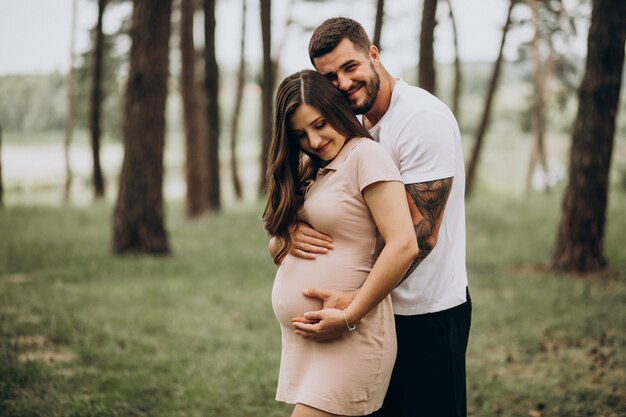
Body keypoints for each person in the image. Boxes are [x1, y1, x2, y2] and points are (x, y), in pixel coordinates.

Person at [287, 17, 472, 417]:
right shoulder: (351, 125)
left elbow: (420, 238)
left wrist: (355, 305)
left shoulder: (421, 120)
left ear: (373, 54)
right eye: (330, 76)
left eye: (350, 66)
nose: (343, 82)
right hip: (373, 315)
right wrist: (287, 235)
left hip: (424, 313)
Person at [263, 69, 418, 417]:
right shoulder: (314, 168)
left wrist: (349, 315)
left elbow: (404, 244)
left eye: (320, 124)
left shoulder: (366, 157)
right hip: (316, 341)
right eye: (300, 134)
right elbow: (284, 240)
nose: (314, 141)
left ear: (337, 111)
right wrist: (280, 241)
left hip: (352, 335)